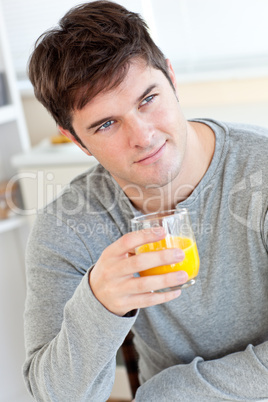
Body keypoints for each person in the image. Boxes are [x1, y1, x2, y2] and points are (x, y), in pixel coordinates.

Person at [23, 1, 268, 401]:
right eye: (106, 124)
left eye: (148, 99)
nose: (143, 136)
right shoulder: (69, 225)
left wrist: (170, 392)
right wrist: (99, 304)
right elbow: (58, 395)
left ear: (171, 77)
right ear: (75, 139)